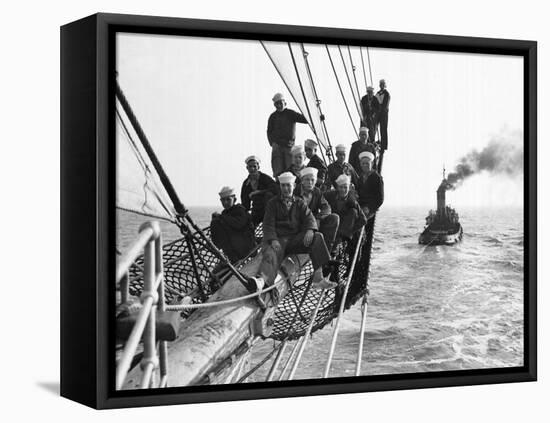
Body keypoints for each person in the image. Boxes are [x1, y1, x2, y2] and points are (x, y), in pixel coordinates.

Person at [246, 172, 337, 297]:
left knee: (317, 237)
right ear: (280, 187)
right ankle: (261, 282)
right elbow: (268, 225)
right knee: (270, 254)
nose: (286, 189)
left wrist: (310, 230)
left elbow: (309, 217)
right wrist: (272, 239)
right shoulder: (273, 203)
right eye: (283, 186)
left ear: (294, 186)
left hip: (294, 239)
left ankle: (318, 278)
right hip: (279, 240)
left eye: (288, 186)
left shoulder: (299, 202)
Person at [294, 167, 340, 252]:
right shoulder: (295, 192)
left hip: (314, 221)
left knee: (334, 218)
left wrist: (319, 218)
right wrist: (311, 227)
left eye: (312, 180)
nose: (310, 182)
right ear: (302, 181)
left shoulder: (316, 191)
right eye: (307, 180)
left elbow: (326, 207)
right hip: (299, 224)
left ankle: (326, 251)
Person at [211, 186, 256, 263]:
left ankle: (233, 259)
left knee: (218, 222)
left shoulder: (240, 210)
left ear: (234, 199)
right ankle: (228, 258)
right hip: (233, 249)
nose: (225, 203)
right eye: (223, 200)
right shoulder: (224, 214)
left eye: (228, 199)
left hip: (246, 247)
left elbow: (238, 224)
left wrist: (221, 218)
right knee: (215, 223)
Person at [267, 93, 309, 177]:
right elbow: (269, 131)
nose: (279, 105)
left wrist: (316, 116)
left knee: (290, 168)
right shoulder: (272, 116)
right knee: (278, 169)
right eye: (277, 104)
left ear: (284, 103)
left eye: (280, 103)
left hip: (289, 146)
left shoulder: (290, 113)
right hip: (277, 146)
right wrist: (272, 143)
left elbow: (305, 119)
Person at [324, 174, 367, 244]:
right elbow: (319, 198)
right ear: (337, 187)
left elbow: (363, 220)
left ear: (349, 188)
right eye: (341, 187)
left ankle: (339, 242)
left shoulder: (353, 201)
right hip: (331, 226)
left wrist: (350, 230)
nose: (343, 190)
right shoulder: (329, 195)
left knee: (354, 211)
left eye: (345, 187)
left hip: (343, 231)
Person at [240, 155, 278, 226]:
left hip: (269, 210)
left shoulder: (265, 178)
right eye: (250, 167)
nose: (252, 169)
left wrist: (259, 192)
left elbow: (275, 189)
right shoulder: (246, 184)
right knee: (249, 227)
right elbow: (245, 202)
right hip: (256, 210)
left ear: (258, 167)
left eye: (254, 166)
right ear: (247, 168)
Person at [356, 151, 384, 219]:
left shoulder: (377, 178)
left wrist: (369, 208)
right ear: (360, 164)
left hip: (370, 208)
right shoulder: (360, 177)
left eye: (367, 163)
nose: (365, 165)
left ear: (372, 163)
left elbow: (380, 198)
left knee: (360, 220)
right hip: (360, 206)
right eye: (363, 163)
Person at [375, 79, 390, 150]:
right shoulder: (377, 93)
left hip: (383, 113)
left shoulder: (387, 94)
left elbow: (385, 104)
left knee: (383, 128)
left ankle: (384, 145)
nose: (381, 85)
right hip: (377, 112)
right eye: (380, 84)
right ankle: (372, 140)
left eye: (382, 84)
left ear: (384, 85)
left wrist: (380, 108)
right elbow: (374, 101)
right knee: (374, 126)